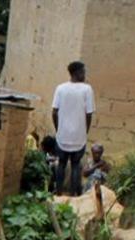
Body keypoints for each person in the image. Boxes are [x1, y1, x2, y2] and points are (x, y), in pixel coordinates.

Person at [51, 61, 95, 196]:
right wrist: (85, 131)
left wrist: (58, 129)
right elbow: (89, 113)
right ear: (77, 73)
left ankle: (58, 193)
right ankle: (73, 195)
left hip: (62, 136)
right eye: (83, 72)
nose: (84, 74)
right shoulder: (87, 89)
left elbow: (54, 112)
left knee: (61, 164)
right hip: (78, 137)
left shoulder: (60, 88)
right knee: (76, 165)